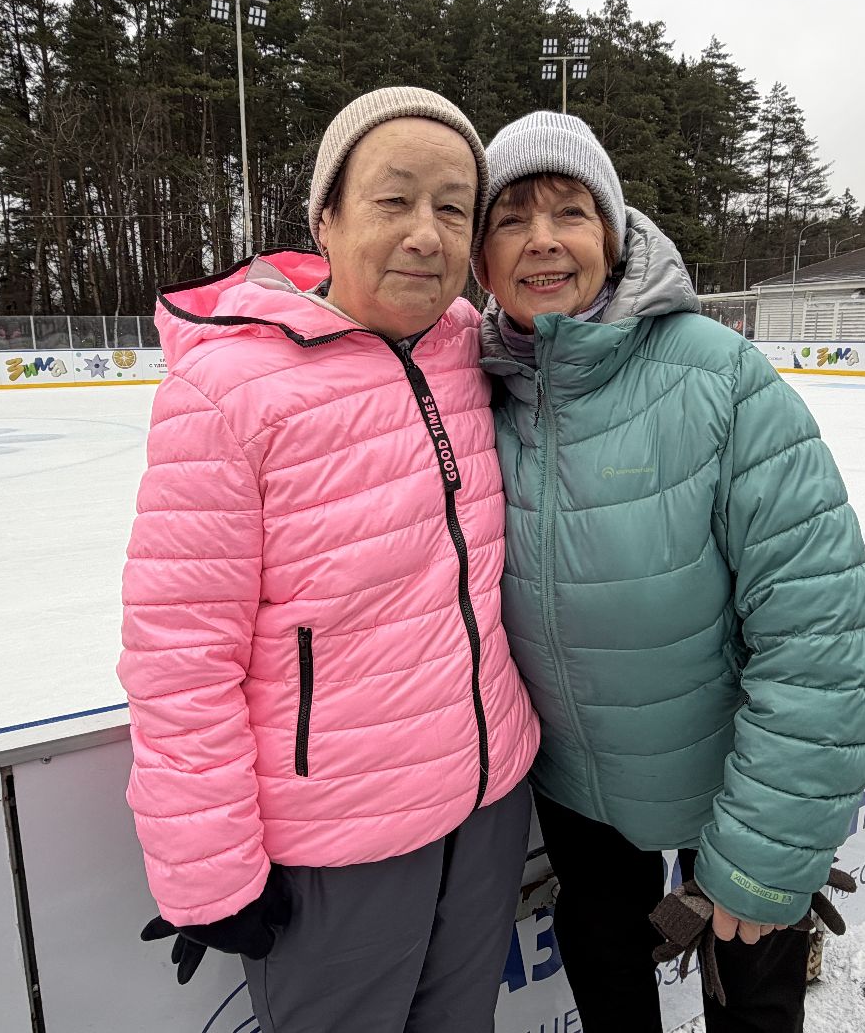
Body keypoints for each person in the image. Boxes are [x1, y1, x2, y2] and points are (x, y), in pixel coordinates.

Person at [117, 87, 540, 1033]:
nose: (426, 233)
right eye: (394, 200)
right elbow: (180, 653)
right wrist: (210, 871)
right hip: (338, 845)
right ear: (325, 218)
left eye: (453, 208)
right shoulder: (228, 391)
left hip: (487, 806)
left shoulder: (471, 348)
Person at [473, 111, 865, 1033]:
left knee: (752, 1000)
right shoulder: (478, 391)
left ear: (613, 236)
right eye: (510, 218)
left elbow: (822, 634)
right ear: (482, 258)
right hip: (576, 795)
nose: (542, 239)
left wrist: (764, 849)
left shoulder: (719, 376)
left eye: (570, 211)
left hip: (726, 786)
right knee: (607, 975)